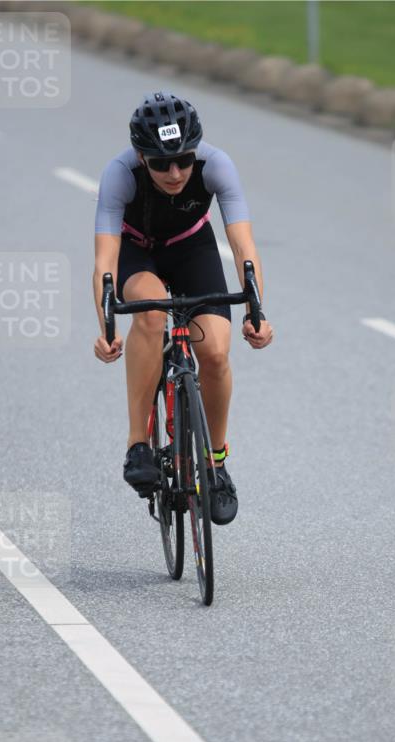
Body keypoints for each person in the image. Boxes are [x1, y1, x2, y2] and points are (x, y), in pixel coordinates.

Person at [92, 91, 274, 525]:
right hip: (138, 254)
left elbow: (243, 246)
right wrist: (106, 326)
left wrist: (256, 312)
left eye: (183, 160)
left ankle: (216, 463)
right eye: (160, 163)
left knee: (214, 351)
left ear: (197, 150)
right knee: (151, 315)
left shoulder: (218, 165)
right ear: (141, 156)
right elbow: (104, 261)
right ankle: (139, 443)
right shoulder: (119, 174)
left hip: (192, 248)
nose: (174, 173)